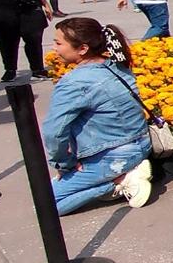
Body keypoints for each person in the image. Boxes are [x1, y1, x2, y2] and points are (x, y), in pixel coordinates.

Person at [43, 18, 153, 214]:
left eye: (58, 43)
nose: (54, 48)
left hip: (112, 157)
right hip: (142, 145)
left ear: (83, 49)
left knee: (45, 205)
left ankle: (119, 182)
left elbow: (54, 132)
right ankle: (120, 176)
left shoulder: (74, 82)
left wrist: (64, 164)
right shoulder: (117, 65)